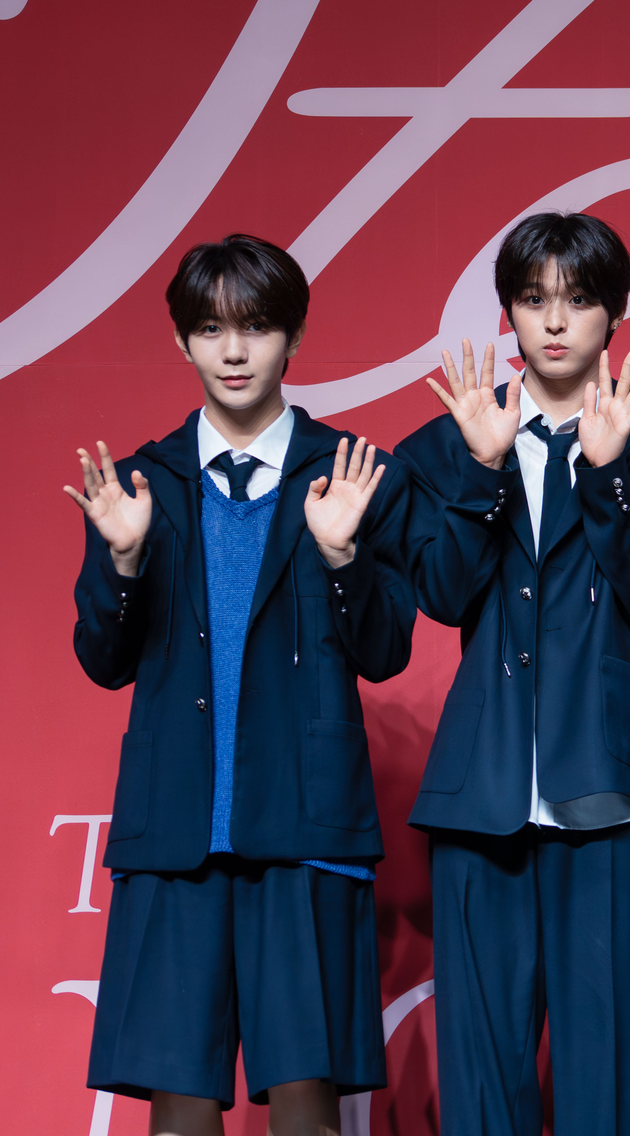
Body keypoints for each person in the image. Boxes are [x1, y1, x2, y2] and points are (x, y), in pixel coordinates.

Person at [67, 235, 413, 1136]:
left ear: (293, 337)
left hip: (303, 825)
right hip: (176, 828)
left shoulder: (352, 472)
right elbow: (102, 659)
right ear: (181, 342)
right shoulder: (140, 482)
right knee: (179, 1109)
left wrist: (343, 556)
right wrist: (125, 559)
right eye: (210, 328)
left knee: (308, 1104)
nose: (232, 350)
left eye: (255, 327)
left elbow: (385, 651)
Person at [397, 211, 630, 1136]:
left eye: (578, 300)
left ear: (615, 315)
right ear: (508, 314)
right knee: (482, 1089)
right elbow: (443, 595)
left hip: (611, 800)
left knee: (604, 1085)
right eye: (533, 300)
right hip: (479, 799)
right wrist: (484, 470)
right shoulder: (446, 442)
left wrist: (604, 477)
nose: (555, 321)